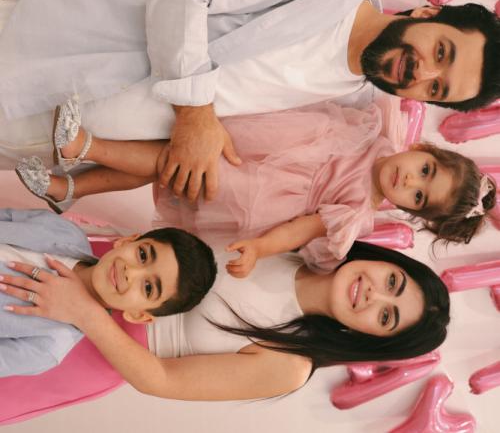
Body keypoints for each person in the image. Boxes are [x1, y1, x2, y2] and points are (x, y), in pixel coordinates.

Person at [1, 0, 499, 203]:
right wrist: (195, 112)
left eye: (437, 89)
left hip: (46, 143)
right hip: (42, 56)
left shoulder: (346, 98)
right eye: (441, 52)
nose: (421, 75)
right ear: (428, 13)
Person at [15, 97, 496, 276]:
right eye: (425, 171)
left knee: (170, 162)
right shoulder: (381, 126)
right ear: (425, 149)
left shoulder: (356, 211)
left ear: (410, 210)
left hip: (257, 191)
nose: (409, 181)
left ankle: (84, 145)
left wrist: (261, 248)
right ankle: (67, 190)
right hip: (262, 138)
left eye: (418, 197)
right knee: (169, 154)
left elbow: (302, 229)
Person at [0, 241, 450, 400]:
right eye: (392, 281)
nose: (373, 294)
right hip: (97, 260)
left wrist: (84, 311)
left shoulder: (289, 364)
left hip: (85, 350)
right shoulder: (289, 242)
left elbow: (160, 380)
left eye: (386, 315)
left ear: (370, 337)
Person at [0, 208, 216, 377]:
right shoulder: (65, 231)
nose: (131, 272)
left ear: (139, 315)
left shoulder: (48, 347)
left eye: (148, 288)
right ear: (127, 241)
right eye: (142, 255)